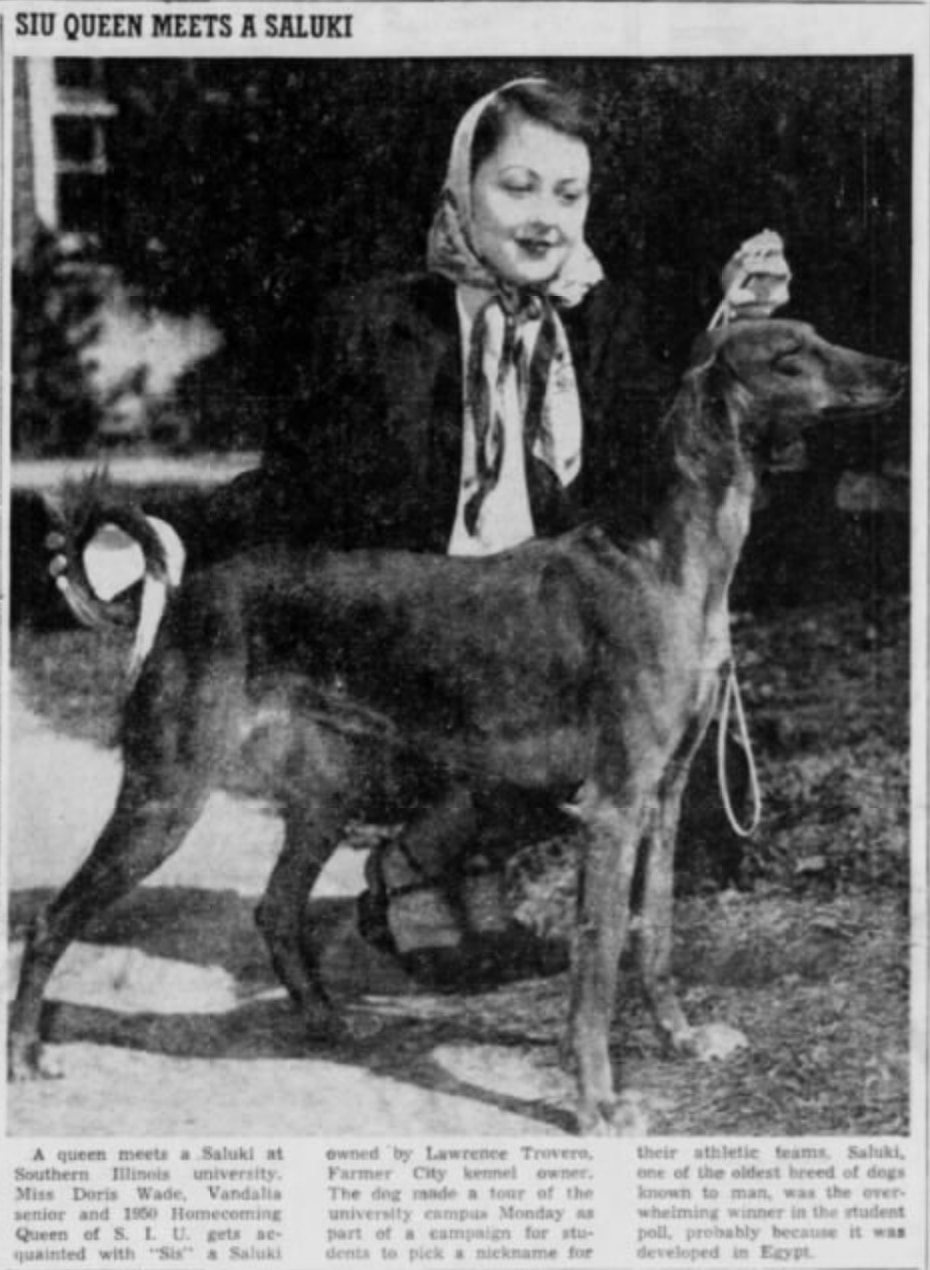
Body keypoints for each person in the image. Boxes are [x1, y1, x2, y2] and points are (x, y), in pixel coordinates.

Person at [69, 79, 778, 982]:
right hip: (408, 660)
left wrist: (736, 333)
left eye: (569, 194)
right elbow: (291, 490)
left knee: (622, 697)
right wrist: (157, 543)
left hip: (533, 648)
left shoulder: (604, 328)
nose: (546, 217)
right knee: (464, 684)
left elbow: (668, 470)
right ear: (460, 188)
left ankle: (438, 860)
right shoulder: (376, 324)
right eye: (517, 186)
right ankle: (423, 867)